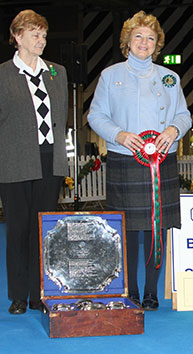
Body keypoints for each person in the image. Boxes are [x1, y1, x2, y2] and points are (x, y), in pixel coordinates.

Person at [87, 11, 191, 311]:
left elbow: (183, 114)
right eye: (138, 37)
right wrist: (118, 135)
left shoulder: (170, 77)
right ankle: (130, 290)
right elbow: (95, 115)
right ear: (127, 41)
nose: (144, 42)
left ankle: (150, 291)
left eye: (150, 37)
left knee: (157, 228)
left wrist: (173, 129)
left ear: (157, 43)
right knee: (128, 228)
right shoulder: (110, 75)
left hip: (161, 161)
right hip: (125, 160)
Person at [0, 10, 68, 314]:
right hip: (13, 161)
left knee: (43, 230)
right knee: (17, 229)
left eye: (43, 34)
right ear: (18, 37)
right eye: (34, 34)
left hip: (48, 159)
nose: (41, 40)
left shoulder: (57, 72)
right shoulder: (2, 74)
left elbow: (61, 118)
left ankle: (39, 292)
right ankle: (17, 294)